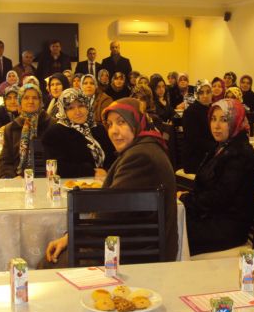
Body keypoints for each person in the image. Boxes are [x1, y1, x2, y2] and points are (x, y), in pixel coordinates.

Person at [43, 98, 177, 265]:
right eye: (110, 124)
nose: (113, 131)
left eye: (121, 122)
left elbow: (109, 214)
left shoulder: (140, 157)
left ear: (137, 122)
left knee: (50, 262)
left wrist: (71, 237)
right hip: (136, 245)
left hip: (135, 255)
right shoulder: (145, 147)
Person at [180, 98, 254, 255]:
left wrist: (186, 200)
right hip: (212, 217)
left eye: (224, 120)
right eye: (213, 119)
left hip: (227, 227)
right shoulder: (223, 146)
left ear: (235, 121)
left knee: (171, 234)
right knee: (168, 224)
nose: (216, 126)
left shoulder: (240, 153)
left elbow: (219, 197)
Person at [42, 88, 113, 179]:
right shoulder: (54, 133)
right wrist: (91, 171)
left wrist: (107, 171)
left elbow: (112, 158)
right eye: (70, 108)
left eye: (81, 106)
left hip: (105, 181)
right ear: (63, 111)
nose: (77, 112)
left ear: (87, 106)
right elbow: (57, 167)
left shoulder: (98, 129)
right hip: (71, 184)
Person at [0, 83, 54, 178]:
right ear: (20, 101)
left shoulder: (52, 125)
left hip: (47, 178)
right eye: (26, 98)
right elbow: (5, 161)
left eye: (35, 98)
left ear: (40, 101)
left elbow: (58, 158)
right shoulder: (11, 128)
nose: (31, 101)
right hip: (18, 179)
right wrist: (12, 178)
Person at [181, 80, 215, 174]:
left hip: (207, 153)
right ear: (197, 94)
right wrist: (216, 147)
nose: (205, 95)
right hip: (194, 157)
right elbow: (194, 140)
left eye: (208, 92)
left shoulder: (212, 109)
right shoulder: (191, 112)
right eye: (201, 92)